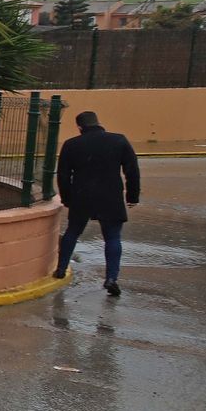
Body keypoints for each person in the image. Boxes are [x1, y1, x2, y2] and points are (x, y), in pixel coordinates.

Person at [54, 110, 140, 296]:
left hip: (81, 196)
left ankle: (61, 269)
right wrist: (132, 197)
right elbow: (132, 170)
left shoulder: (71, 145)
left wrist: (67, 198)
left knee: (73, 232)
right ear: (98, 122)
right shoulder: (118, 141)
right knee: (113, 238)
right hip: (110, 196)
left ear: (79, 127)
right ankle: (111, 278)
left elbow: (63, 175)